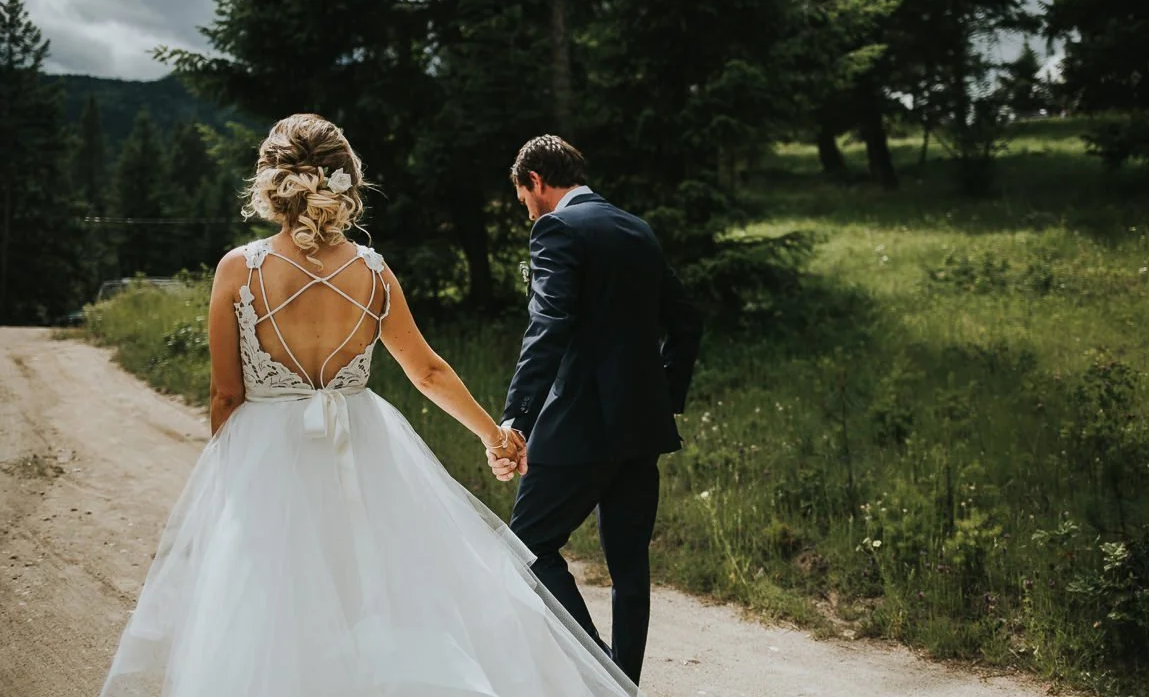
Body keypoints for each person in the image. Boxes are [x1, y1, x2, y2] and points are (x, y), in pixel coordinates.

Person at [100, 115, 641, 697]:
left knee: (271, 607)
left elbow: (225, 394)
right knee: (376, 595)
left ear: (273, 180)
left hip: (269, 457)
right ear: (345, 182)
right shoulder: (372, 272)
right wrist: (494, 436)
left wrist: (230, 480)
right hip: (363, 451)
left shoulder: (239, 269)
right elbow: (427, 371)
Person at [490, 135, 703, 685]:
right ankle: (625, 682)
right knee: (630, 565)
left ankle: (599, 672)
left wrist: (516, 418)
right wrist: (663, 397)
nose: (527, 211)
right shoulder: (637, 228)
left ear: (535, 180)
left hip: (578, 427)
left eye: (524, 198)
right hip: (641, 429)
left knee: (528, 546)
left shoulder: (556, 227)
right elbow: (686, 321)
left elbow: (548, 328)